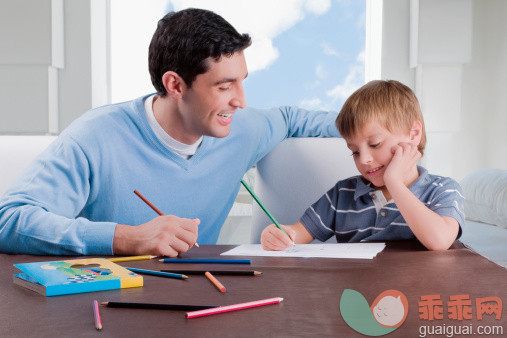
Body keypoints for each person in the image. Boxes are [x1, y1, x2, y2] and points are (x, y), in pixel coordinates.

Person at [0, 8, 339, 256]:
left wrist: (387, 129)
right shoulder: (95, 137)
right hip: (107, 304)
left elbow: (293, 118)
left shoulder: (241, 127)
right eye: (224, 86)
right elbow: (9, 220)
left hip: (202, 297)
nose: (241, 101)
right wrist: (126, 238)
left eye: (242, 82)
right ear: (175, 84)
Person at [261, 80, 464, 251]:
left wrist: (394, 182)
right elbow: (298, 234)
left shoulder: (443, 190)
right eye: (355, 151)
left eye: (375, 144)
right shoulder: (342, 194)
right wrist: (282, 236)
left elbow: (439, 241)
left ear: (413, 134)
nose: (364, 159)